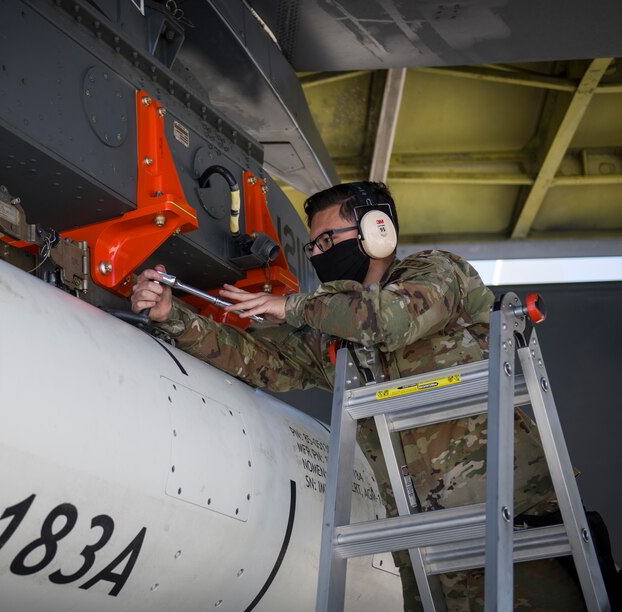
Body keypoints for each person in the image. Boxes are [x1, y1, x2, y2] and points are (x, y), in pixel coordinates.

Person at [130, 181, 583, 611]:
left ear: (376, 230)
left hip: (519, 529)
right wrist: (174, 317)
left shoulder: (437, 272)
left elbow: (390, 321)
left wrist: (291, 306)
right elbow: (261, 361)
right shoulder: (335, 328)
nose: (320, 256)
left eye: (328, 240)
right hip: (425, 550)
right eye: (315, 248)